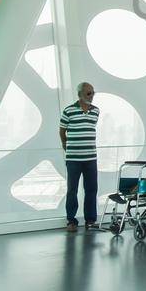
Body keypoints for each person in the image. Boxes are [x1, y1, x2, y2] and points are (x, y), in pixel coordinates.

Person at [59, 81, 100, 232]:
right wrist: (65, 145)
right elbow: (62, 131)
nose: (92, 96)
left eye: (93, 93)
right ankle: (71, 221)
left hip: (91, 158)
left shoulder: (96, 111)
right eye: (89, 93)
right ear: (80, 95)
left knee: (91, 189)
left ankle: (90, 220)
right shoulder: (68, 111)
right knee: (72, 190)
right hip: (73, 159)